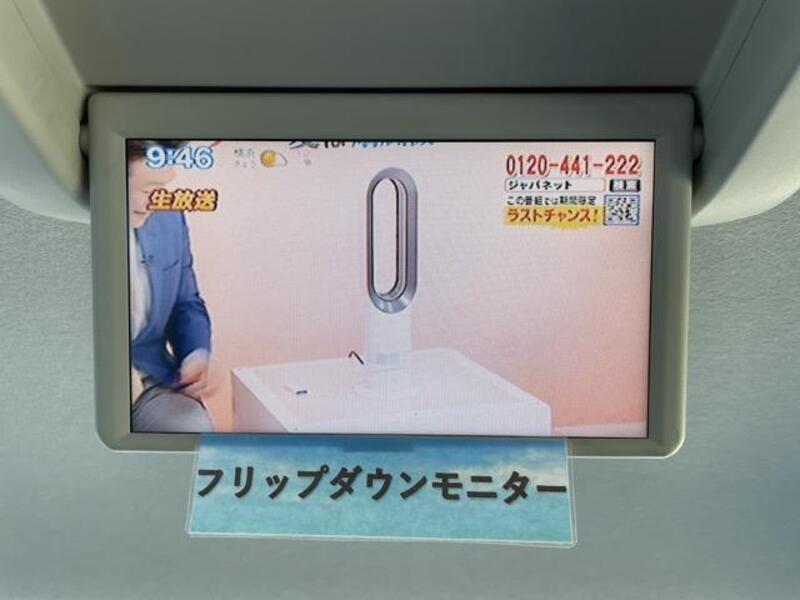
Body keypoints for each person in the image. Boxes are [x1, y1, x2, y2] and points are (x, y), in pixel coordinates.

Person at [127, 140, 214, 432]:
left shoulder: (170, 218)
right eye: (148, 190)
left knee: (193, 431)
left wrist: (196, 353)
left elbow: (186, 303)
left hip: (149, 383)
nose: (158, 200)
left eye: (163, 187)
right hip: (78, 384)